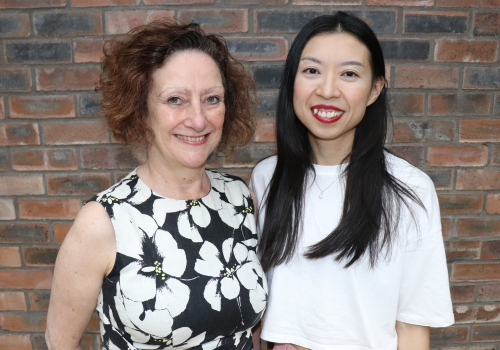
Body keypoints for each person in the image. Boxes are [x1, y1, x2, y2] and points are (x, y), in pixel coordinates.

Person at [46, 21, 267, 350]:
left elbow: (250, 328)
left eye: (212, 99)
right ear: (142, 111)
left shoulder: (240, 198)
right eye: (175, 99)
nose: (197, 119)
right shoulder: (104, 221)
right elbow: (60, 342)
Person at [250, 12, 454, 350]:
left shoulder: (410, 190)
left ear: (375, 89)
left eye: (349, 74)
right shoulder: (266, 178)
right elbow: (258, 313)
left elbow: (414, 330)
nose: (327, 90)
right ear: (291, 82)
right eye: (311, 71)